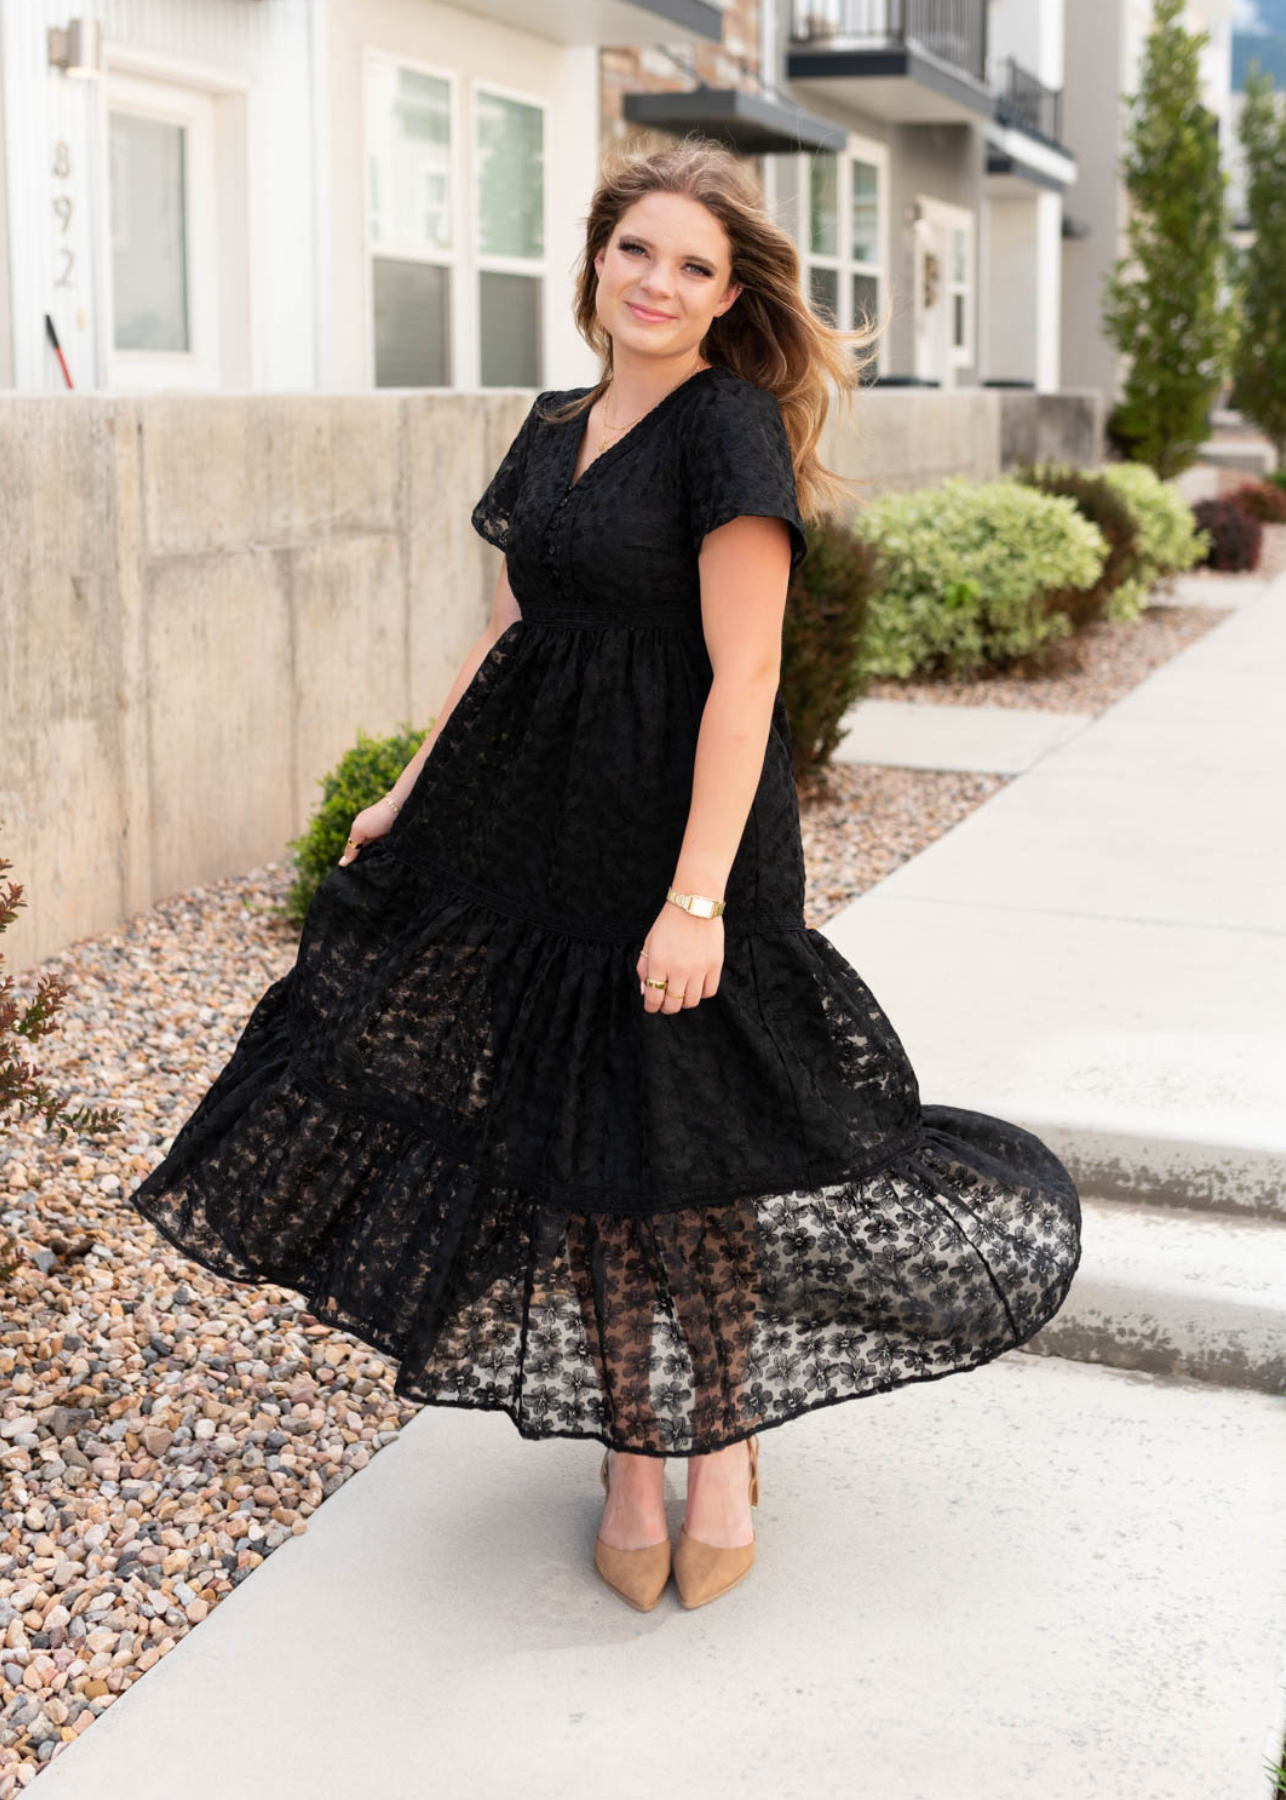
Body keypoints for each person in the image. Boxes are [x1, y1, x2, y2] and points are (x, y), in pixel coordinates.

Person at [129, 138, 1082, 1615]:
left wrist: (696, 898)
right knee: (576, 1143)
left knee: (686, 1154)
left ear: (726, 294)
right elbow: (508, 632)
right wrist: (403, 788)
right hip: (527, 827)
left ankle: (724, 1442)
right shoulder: (550, 420)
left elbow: (746, 670)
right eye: (637, 250)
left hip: (674, 833)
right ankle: (632, 1453)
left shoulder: (728, 427)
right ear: (593, 258)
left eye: (694, 265)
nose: (659, 282)